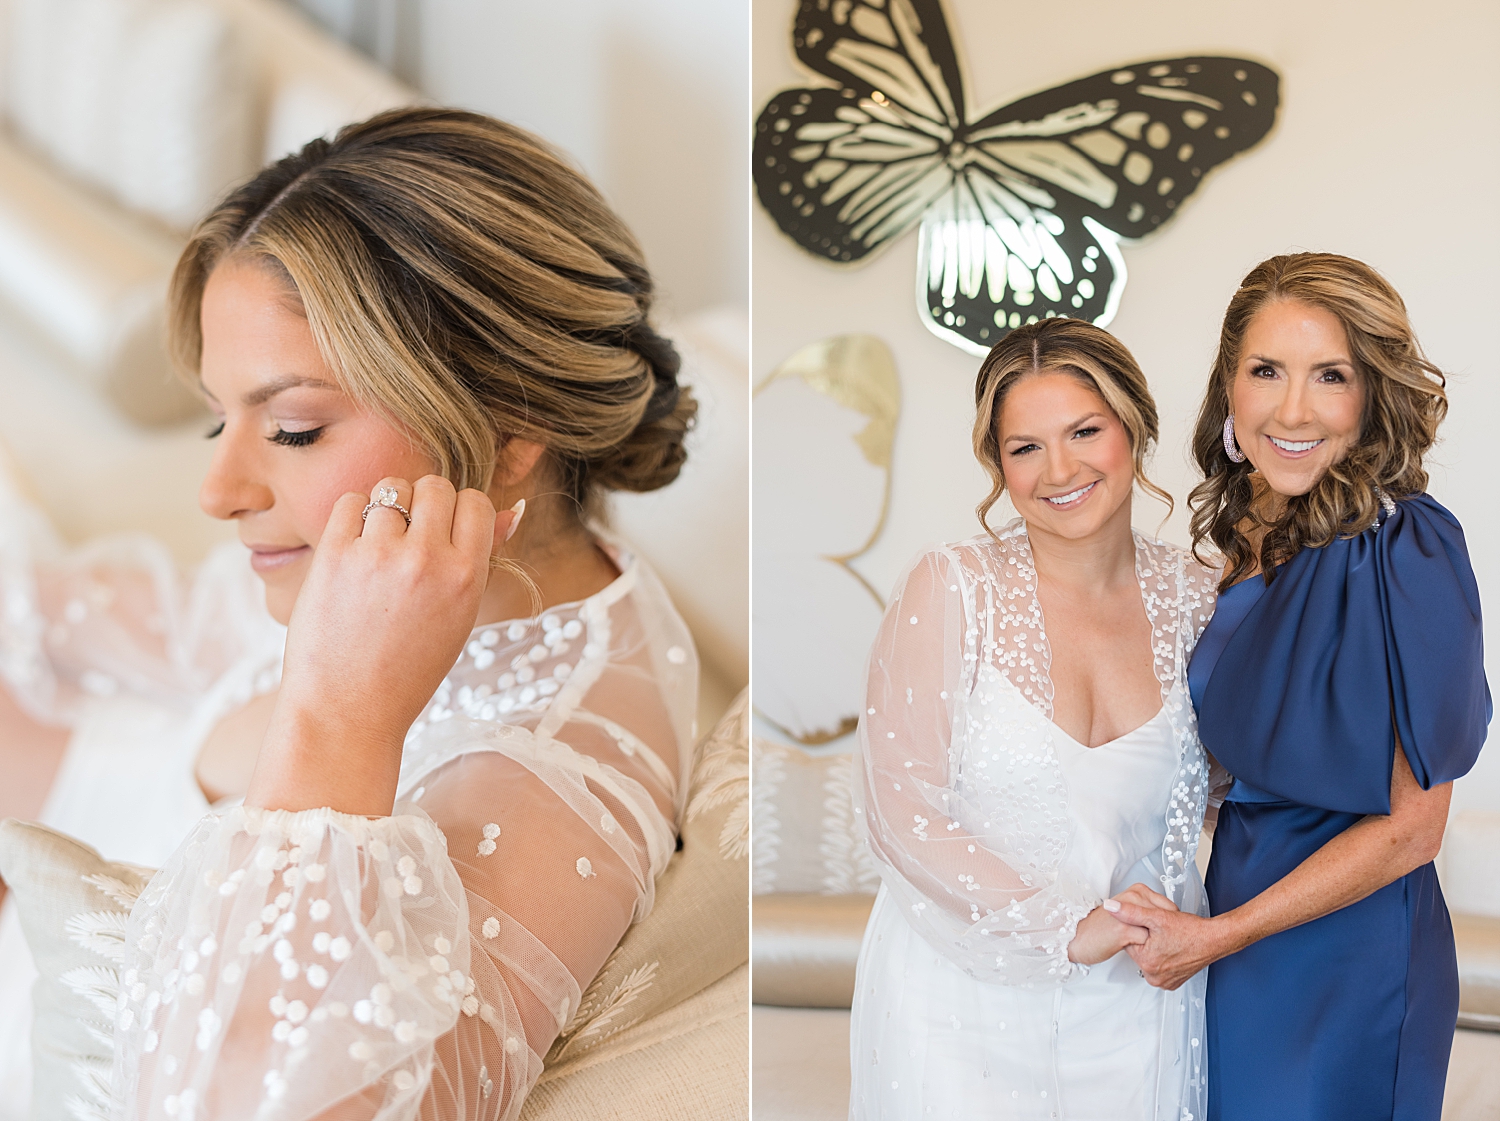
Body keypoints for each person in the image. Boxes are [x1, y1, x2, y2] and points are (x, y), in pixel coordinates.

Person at [2, 106, 701, 1119]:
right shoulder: (402, 569)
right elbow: (199, 629)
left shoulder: (540, 778)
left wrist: (341, 723)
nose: (219, 488)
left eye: (291, 426)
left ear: (511, 435)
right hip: (106, 798)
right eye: (217, 415)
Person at [1111, 252, 1491, 1121]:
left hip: (1351, 953)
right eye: (1267, 371)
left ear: (1372, 396)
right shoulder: (1246, 541)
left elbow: (1413, 829)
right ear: (1230, 390)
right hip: (1242, 929)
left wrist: (1217, 937)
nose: (1293, 409)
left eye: (1331, 375)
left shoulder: (1408, 548)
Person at [850, 318, 1219, 1121]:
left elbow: (1237, 786)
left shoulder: (1202, 598)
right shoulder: (952, 587)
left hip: (1138, 1001)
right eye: (1025, 447)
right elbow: (898, 807)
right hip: (958, 1000)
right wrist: (1061, 927)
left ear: (1136, 429)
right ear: (997, 464)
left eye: (1085, 430)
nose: (1060, 469)